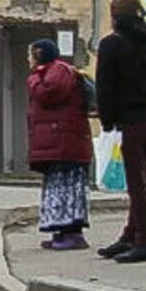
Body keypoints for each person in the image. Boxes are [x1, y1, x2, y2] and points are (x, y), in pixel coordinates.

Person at [95, 0, 146, 264]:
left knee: (136, 186)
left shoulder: (112, 44)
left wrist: (107, 120)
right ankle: (129, 235)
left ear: (115, 15)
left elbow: (105, 87)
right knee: (140, 179)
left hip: (129, 122)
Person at [26, 39, 92, 250]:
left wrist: (35, 77)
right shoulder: (54, 71)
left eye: (30, 55)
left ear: (39, 54)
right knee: (59, 188)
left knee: (68, 189)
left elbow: (49, 93)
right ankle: (61, 233)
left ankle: (73, 234)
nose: (28, 60)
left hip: (65, 143)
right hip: (61, 142)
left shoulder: (57, 71)